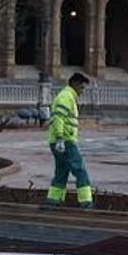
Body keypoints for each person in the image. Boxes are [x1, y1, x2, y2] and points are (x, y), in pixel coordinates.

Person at [45, 72, 93, 208]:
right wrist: (61, 137)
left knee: (61, 172)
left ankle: (53, 200)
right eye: (82, 88)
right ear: (75, 84)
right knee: (80, 171)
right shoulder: (66, 97)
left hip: (59, 141)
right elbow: (58, 118)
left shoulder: (67, 96)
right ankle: (86, 202)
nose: (83, 91)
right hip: (65, 141)